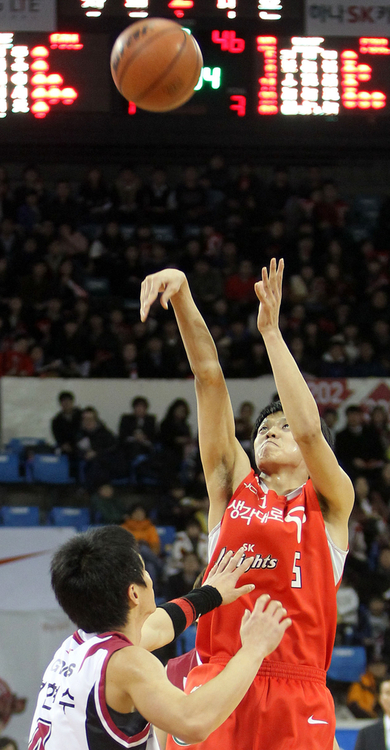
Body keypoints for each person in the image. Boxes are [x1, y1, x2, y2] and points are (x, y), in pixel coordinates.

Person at [140, 260, 355, 750]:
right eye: (263, 428)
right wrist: (183, 297)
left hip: (297, 687)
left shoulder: (331, 501)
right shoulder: (232, 486)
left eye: (279, 428)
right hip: (219, 675)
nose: (269, 432)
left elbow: (307, 429)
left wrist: (271, 333)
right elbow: (209, 377)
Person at [28, 526, 291, 750]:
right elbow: (192, 722)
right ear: (134, 594)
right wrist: (254, 650)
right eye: (144, 572)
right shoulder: (128, 664)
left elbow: (159, 625)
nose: (150, 577)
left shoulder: (76, 647)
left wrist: (211, 594)